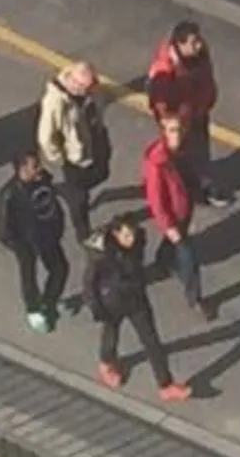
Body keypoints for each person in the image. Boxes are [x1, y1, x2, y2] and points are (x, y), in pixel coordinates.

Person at [86, 218, 190, 401]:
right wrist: (97, 308)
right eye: (126, 235)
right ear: (115, 234)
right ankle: (106, 362)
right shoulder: (100, 254)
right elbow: (89, 284)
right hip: (113, 301)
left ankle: (165, 385)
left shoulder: (138, 240)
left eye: (132, 234)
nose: (131, 239)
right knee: (111, 335)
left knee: (152, 341)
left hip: (136, 297)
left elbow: (137, 261)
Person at [146, 21, 232, 207]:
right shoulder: (165, 68)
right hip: (180, 121)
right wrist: (174, 124)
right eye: (193, 42)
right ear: (180, 43)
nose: (199, 45)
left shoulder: (200, 55)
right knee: (181, 156)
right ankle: (187, 189)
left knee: (201, 148)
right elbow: (159, 103)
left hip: (199, 111)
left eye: (198, 40)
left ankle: (202, 183)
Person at [0, 151, 75, 332]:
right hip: (26, 241)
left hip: (47, 235)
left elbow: (51, 204)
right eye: (34, 166)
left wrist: (57, 227)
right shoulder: (10, 194)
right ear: (22, 168)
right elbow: (2, 228)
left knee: (60, 269)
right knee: (29, 273)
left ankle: (49, 301)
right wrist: (20, 246)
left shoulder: (43, 181)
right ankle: (33, 309)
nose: (39, 169)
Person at [37, 61, 111, 250]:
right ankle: (84, 234)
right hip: (76, 157)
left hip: (95, 143)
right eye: (88, 87)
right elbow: (46, 137)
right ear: (75, 85)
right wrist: (59, 158)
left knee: (102, 173)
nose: (93, 89)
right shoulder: (56, 101)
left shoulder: (89, 93)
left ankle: (66, 189)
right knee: (80, 200)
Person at [141, 115, 210, 320]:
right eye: (172, 130)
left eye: (179, 129)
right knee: (189, 257)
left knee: (172, 245)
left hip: (184, 209)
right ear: (164, 132)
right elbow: (156, 201)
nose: (177, 134)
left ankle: (162, 262)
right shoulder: (158, 164)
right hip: (172, 217)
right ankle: (195, 298)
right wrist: (168, 227)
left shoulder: (183, 151)